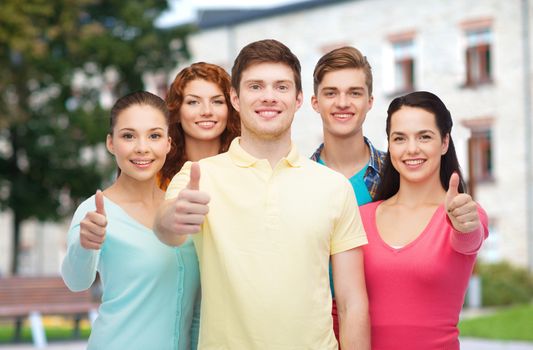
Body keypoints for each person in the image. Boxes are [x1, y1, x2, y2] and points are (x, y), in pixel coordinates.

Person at [154, 39, 370, 349]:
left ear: (297, 100)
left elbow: (352, 302)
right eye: (256, 87)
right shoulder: (199, 176)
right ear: (236, 99)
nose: (268, 97)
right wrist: (173, 217)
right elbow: (165, 229)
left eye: (281, 87)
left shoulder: (334, 187)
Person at [61, 91, 200, 350]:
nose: (142, 148)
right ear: (111, 143)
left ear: (168, 144)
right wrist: (84, 245)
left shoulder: (182, 208)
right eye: (128, 135)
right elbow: (76, 281)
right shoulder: (95, 210)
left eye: (154, 136)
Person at [359, 91, 489, 349]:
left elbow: (469, 239)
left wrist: (464, 225)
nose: (411, 149)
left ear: (444, 142)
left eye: (424, 137)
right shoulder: (361, 216)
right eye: (399, 138)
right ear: (390, 145)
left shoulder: (463, 213)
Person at [310, 46, 386, 343]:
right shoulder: (297, 181)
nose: (343, 103)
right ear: (315, 102)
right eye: (331, 93)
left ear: (369, 102)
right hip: (317, 331)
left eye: (354, 93)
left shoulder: (398, 175)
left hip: (388, 322)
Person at [158, 62, 241, 190]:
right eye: (193, 102)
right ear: (177, 111)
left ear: (230, 109)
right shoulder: (157, 176)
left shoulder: (247, 169)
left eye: (217, 101)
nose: (207, 111)